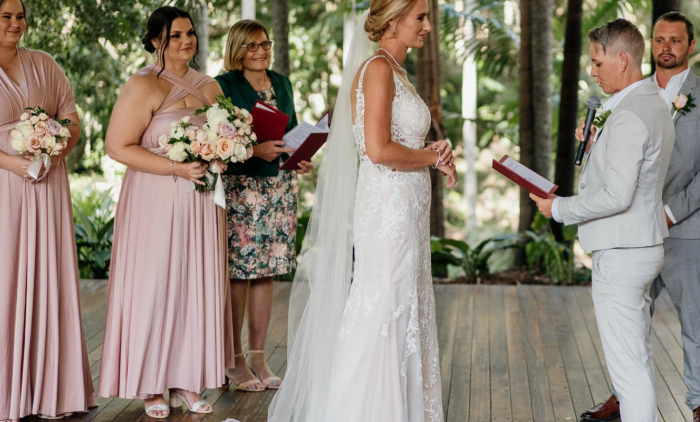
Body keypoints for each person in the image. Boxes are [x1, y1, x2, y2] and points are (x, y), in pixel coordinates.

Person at [267, 0, 457, 420]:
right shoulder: (378, 69)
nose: (428, 26)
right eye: (420, 17)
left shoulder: (397, 71)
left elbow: (396, 140)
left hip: (405, 211)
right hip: (388, 213)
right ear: (394, 21)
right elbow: (378, 149)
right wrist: (431, 159)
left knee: (404, 307)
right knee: (385, 309)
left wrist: (430, 149)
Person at [579, 12, 700, 422]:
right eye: (660, 39)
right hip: (634, 227)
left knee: (695, 319)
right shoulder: (627, 94)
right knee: (632, 319)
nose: (667, 47)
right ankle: (622, 394)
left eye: (675, 40)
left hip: (686, 225)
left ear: (690, 46)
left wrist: (670, 211)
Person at [532, 18, 675, 422]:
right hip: (642, 244)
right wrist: (596, 144)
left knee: (628, 371)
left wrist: (559, 209)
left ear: (623, 60)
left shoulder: (629, 115)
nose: (592, 72)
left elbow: (616, 195)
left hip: (622, 251)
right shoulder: (653, 104)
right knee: (637, 358)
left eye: (598, 62)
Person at [97, 6, 232, 418]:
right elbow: (117, 146)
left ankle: (188, 378)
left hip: (201, 202)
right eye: (176, 35)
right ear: (156, 40)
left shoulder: (210, 86)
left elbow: (223, 136)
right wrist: (175, 167)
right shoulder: (143, 85)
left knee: (194, 284)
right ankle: (152, 384)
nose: (186, 41)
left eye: (190, 33)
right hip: (154, 200)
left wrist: (223, 154)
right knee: (155, 285)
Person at [0, 0, 97, 420]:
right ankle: (0, 391)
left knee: (49, 274)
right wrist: (13, 163)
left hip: (47, 184)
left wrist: (54, 149)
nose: (15, 24)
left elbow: (71, 119)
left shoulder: (45, 63)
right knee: (2, 277)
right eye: (6, 16)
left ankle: (53, 393)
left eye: (20, 16)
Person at [214, 19, 313, 393]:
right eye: (252, 45)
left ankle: (258, 356)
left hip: (279, 187)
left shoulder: (282, 82)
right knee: (240, 272)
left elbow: (291, 131)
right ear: (237, 49)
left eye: (265, 44)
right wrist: (255, 150)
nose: (261, 51)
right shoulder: (223, 85)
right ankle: (233, 358)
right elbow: (216, 140)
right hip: (242, 187)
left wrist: (300, 156)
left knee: (266, 271)